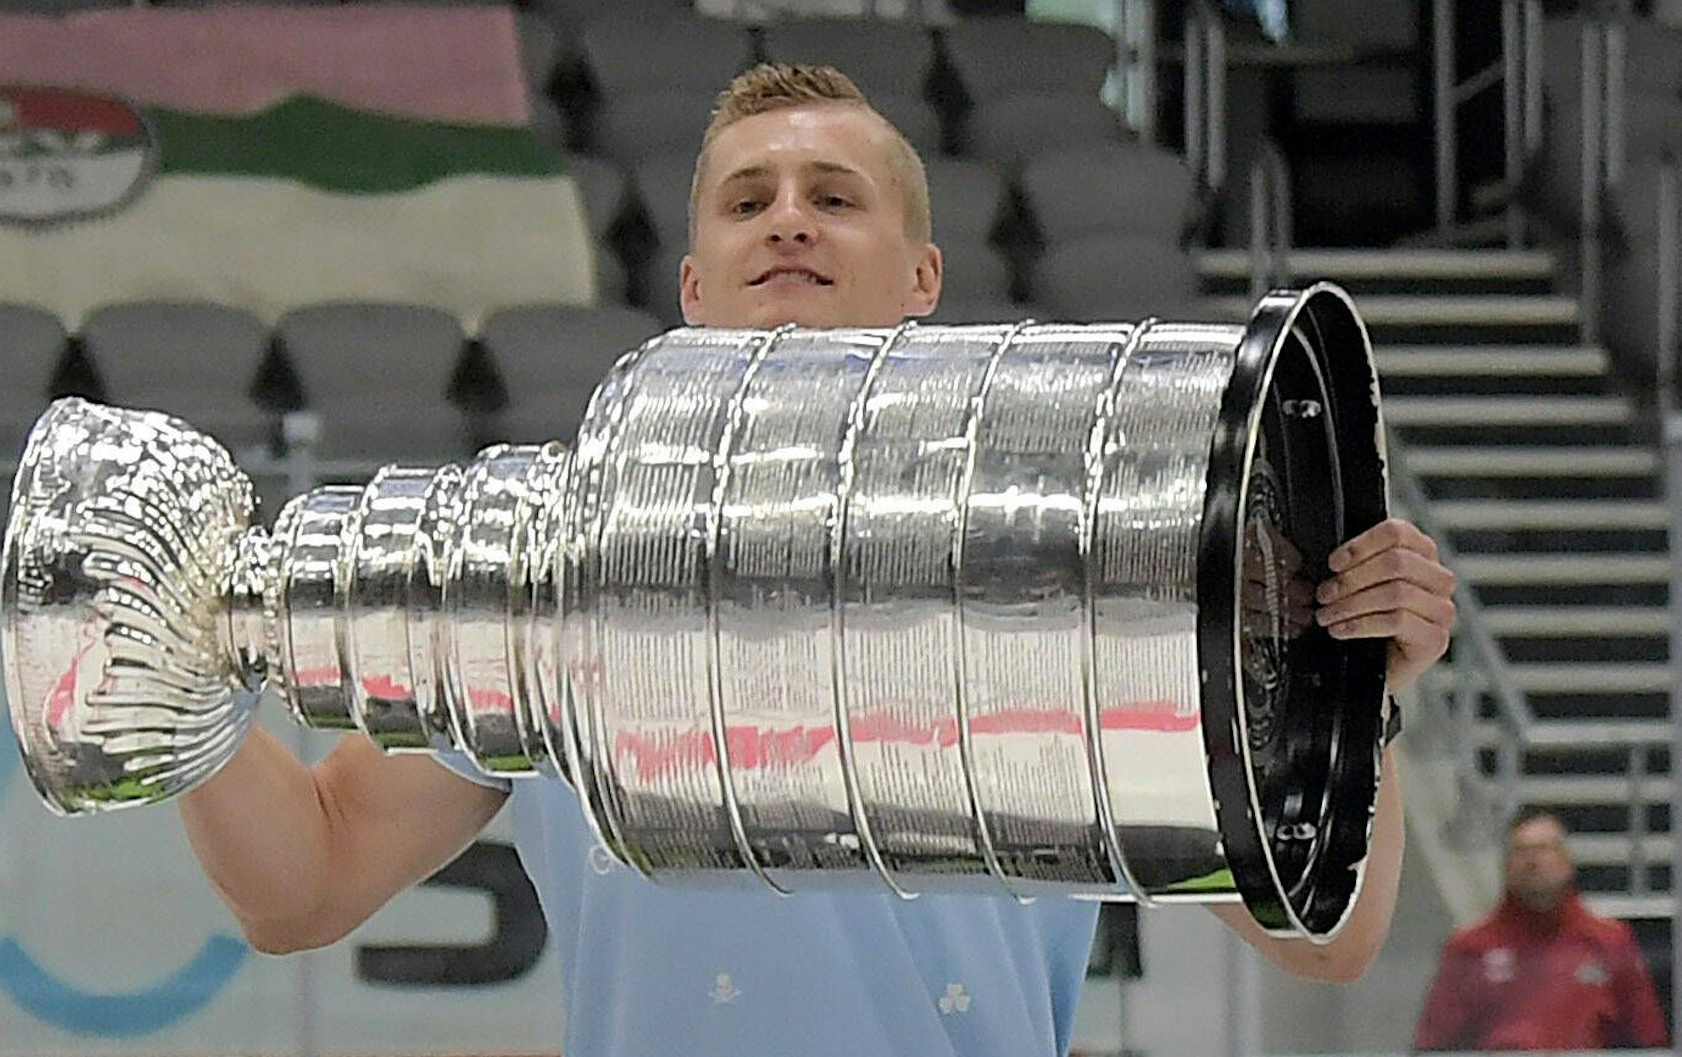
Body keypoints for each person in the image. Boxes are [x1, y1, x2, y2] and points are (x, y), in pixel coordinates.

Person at [178, 64, 1459, 1057]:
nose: (786, 221)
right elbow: (310, 880)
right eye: (748, 201)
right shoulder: (542, 552)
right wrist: (165, 671)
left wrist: (1355, 685)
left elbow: (1326, 941)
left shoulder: (1076, 554)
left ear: (920, 277)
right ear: (692, 283)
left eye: (832, 198)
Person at [1412, 811, 1669, 1051]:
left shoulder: (1608, 941)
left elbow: (1648, 1041)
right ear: (1506, 865)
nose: (1532, 861)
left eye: (1543, 849)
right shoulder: (1470, 948)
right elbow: (1433, 1046)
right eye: (1521, 851)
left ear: (1566, 861)